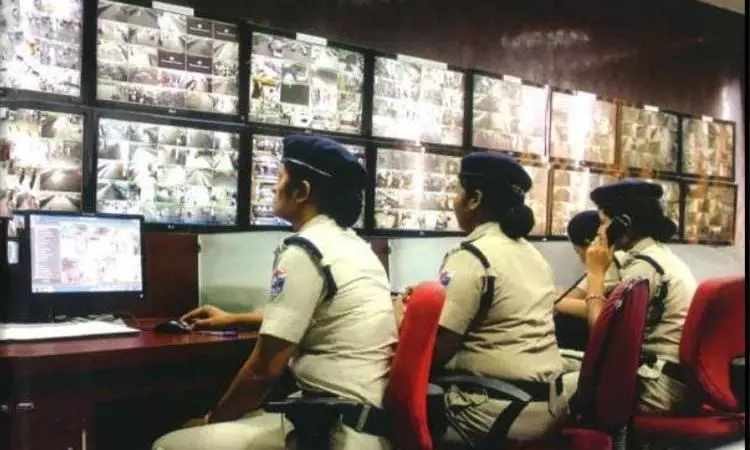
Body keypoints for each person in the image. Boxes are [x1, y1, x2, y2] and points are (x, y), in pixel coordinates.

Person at [153, 134, 397, 450]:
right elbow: (319, 314)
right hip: (363, 422)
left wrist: (211, 418)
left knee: (168, 444)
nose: (273, 187)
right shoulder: (354, 245)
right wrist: (235, 318)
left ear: (302, 192)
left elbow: (263, 372)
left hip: (332, 431)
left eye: (280, 178)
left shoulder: (306, 251)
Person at [432, 152, 570, 447]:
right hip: (548, 406)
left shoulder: (472, 256)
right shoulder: (534, 256)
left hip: (499, 409)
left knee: (390, 409)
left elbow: (438, 350)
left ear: (474, 199)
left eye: (457, 191)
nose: (454, 200)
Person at [583, 179, 697, 413]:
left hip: (659, 386)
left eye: (603, 223)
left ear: (623, 224)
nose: (598, 232)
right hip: (674, 379)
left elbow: (601, 341)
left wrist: (595, 274)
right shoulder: (659, 256)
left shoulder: (645, 269)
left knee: (562, 388)